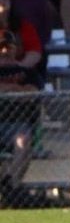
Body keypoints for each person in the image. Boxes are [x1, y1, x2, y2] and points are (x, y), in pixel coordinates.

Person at [0, 32, 43, 209]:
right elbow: (22, 93)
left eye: (8, 47)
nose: (4, 51)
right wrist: (17, 90)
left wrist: (6, 90)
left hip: (17, 124)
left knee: (23, 139)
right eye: (0, 47)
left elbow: (32, 93)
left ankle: (12, 187)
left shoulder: (26, 72)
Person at [0, 0, 43, 71]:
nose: (1, 2)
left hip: (18, 72)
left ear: (10, 1)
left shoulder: (24, 26)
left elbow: (34, 52)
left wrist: (20, 65)